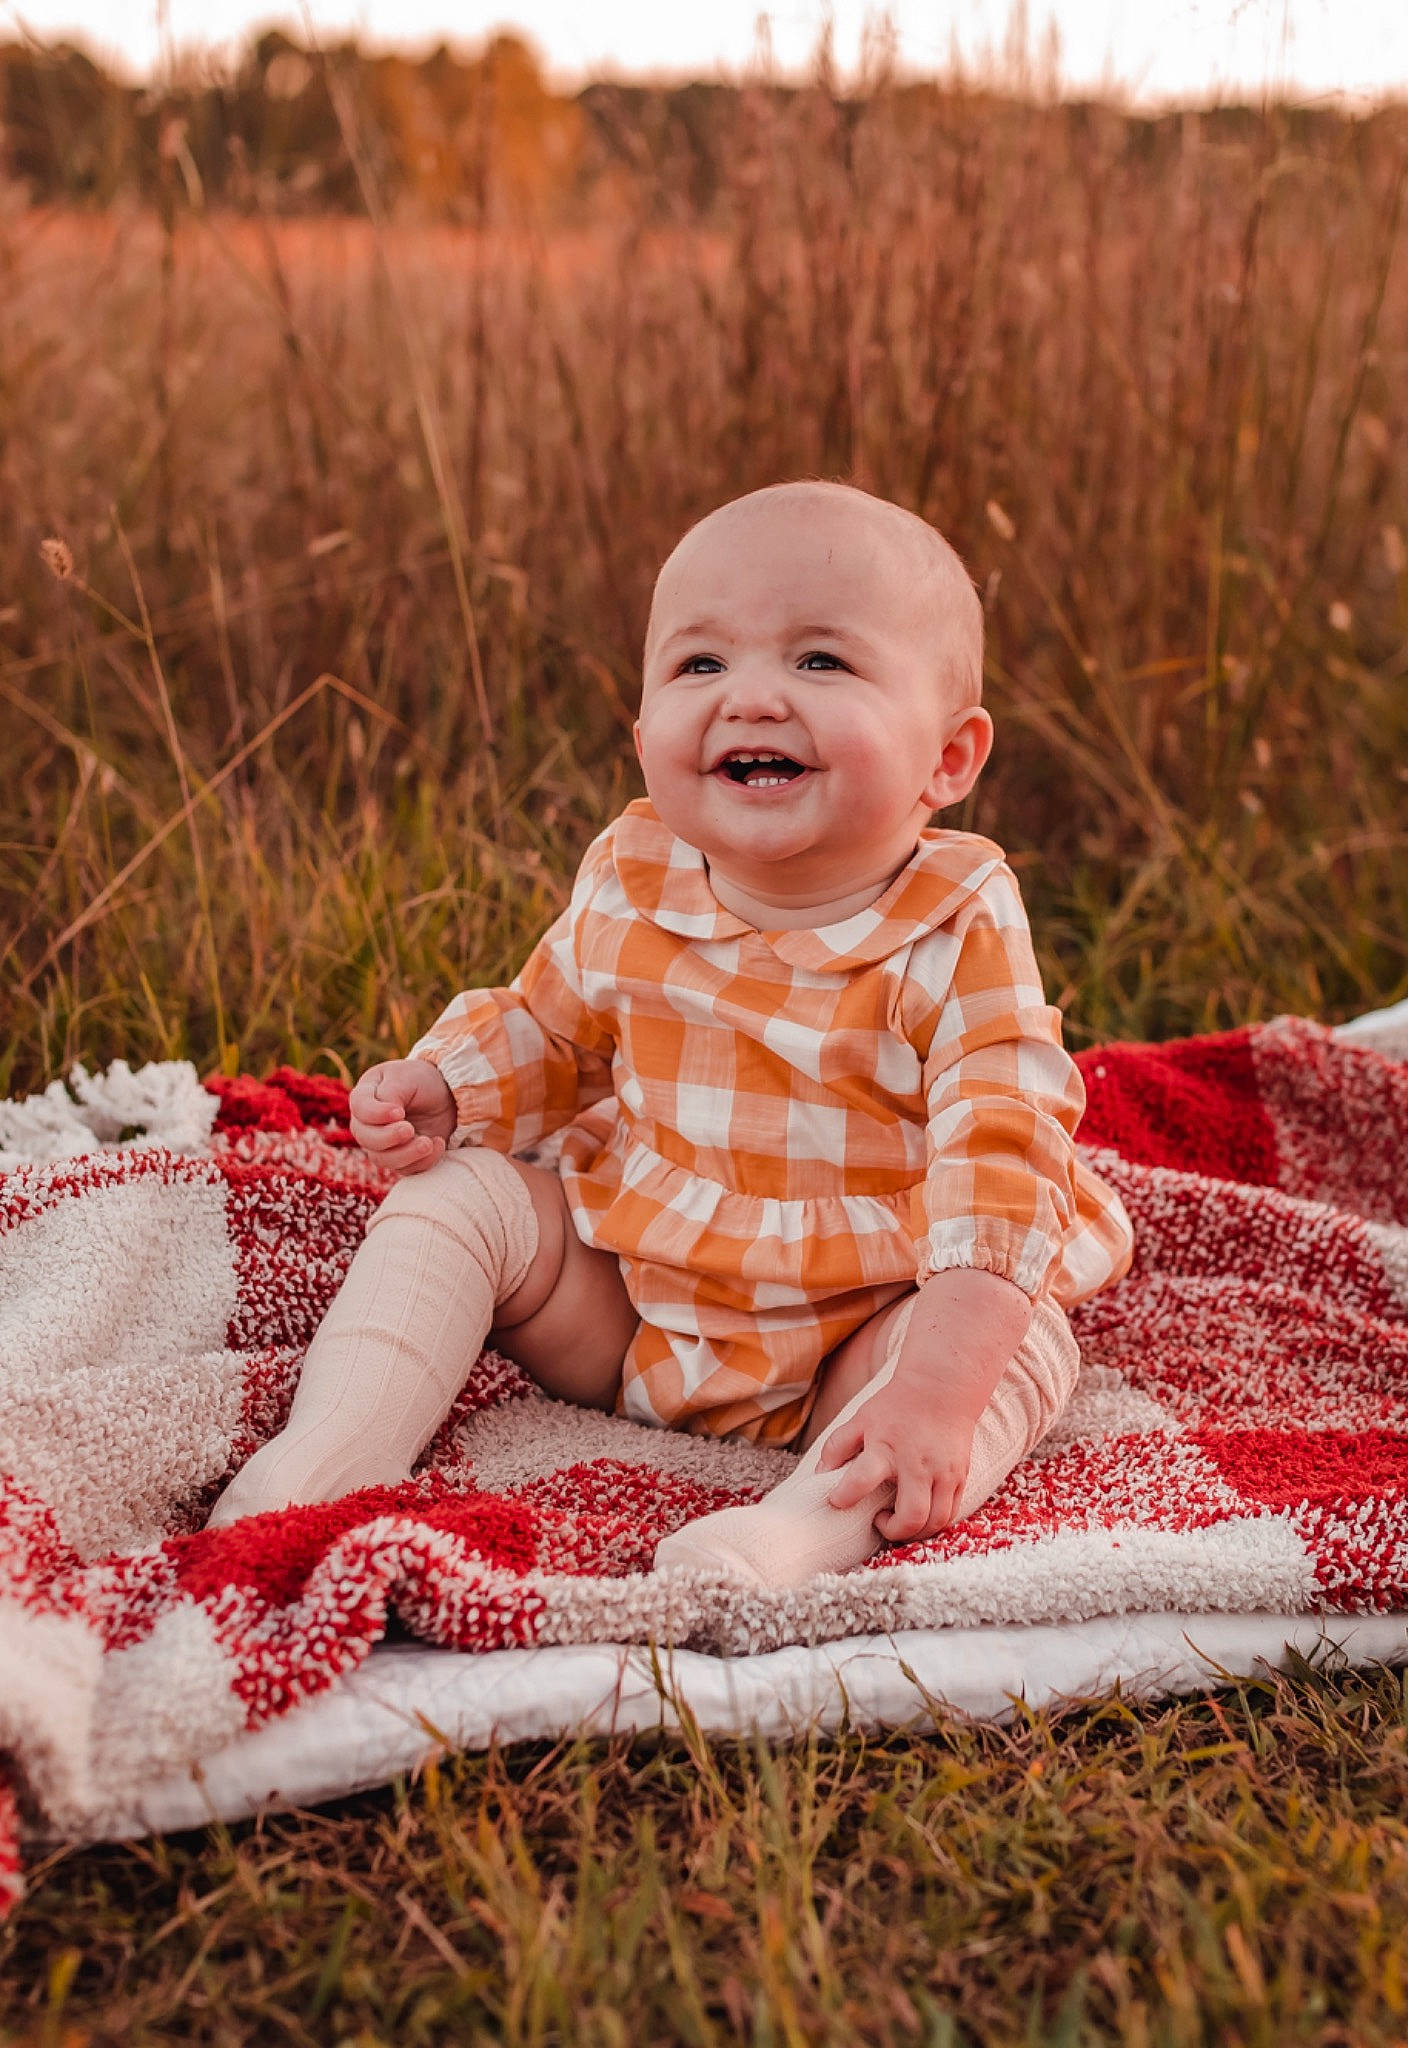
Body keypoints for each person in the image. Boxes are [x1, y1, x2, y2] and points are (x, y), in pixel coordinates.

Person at [208, 480, 1135, 1586]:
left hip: (858, 1328)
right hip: (638, 1303)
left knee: (1011, 1347)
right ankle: (329, 1454)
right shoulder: (634, 871)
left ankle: (800, 1532)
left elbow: (1002, 1153)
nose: (751, 698)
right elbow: (553, 1033)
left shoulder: (955, 921)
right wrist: (449, 1088)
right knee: (459, 1198)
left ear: (948, 757)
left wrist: (939, 1385)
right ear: (645, 733)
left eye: (820, 661)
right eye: (701, 663)